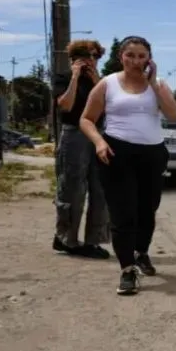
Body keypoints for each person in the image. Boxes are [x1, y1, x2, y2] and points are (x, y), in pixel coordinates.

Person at [79, 36, 176, 295]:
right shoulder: (107, 84)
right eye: (130, 55)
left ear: (149, 59)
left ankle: (141, 252)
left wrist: (154, 85)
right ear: (120, 57)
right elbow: (87, 120)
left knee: (147, 209)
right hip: (117, 152)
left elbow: (173, 114)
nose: (136, 61)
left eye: (141, 56)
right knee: (123, 212)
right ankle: (127, 270)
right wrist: (99, 142)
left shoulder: (157, 85)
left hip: (152, 154)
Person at [52, 39, 111, 258]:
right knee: (72, 187)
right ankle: (67, 238)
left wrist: (96, 79)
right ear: (74, 58)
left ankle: (93, 241)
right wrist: (75, 77)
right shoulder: (64, 78)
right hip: (73, 133)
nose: (91, 60)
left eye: (95, 56)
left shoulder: (100, 81)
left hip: (97, 134)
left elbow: (108, 107)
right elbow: (65, 105)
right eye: (86, 56)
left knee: (100, 188)